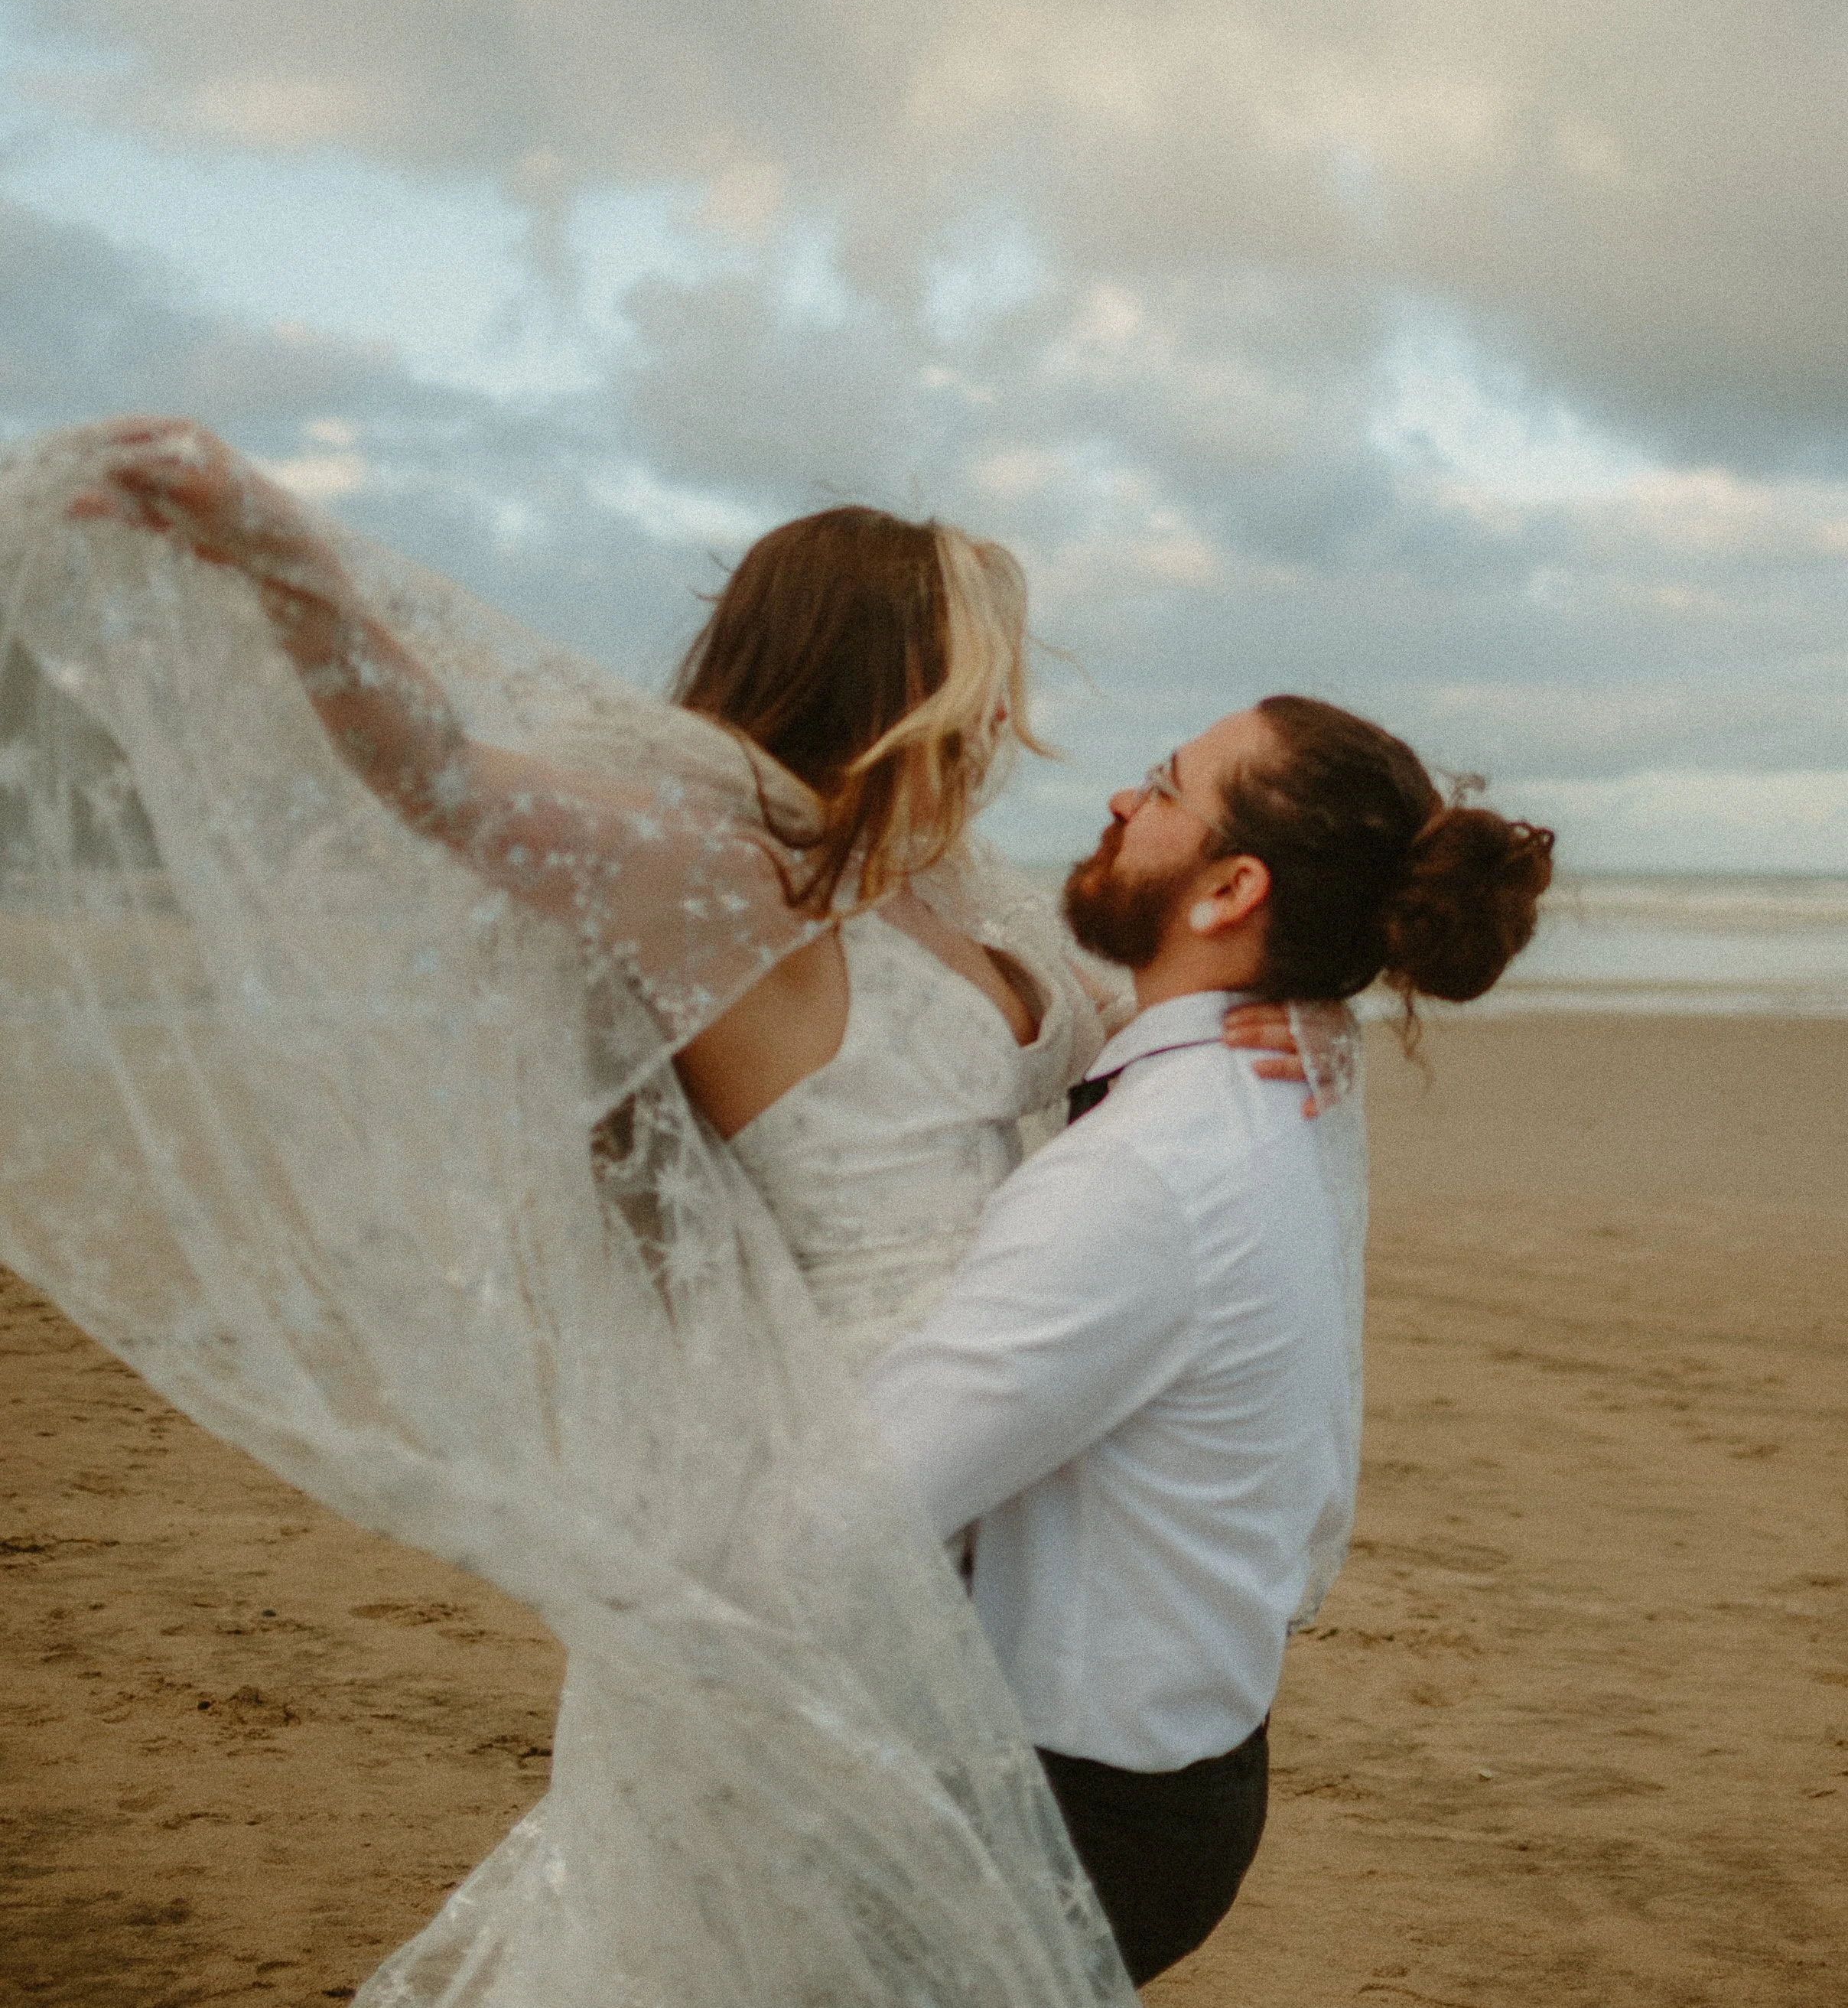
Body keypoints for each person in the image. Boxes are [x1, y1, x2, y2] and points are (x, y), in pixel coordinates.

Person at [0, 417, 1339, 2007]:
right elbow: (432, 774)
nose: (1007, 715)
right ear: (884, 671)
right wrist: (270, 540)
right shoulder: (724, 888)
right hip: (842, 1503)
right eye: (985, 673)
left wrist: (1280, 1015)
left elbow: (1088, 1080)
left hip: (1002, 1503)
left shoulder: (936, 876)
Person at [866, 696, 1554, 1987]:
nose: (1124, 803)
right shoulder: (1279, 1069)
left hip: (1064, 1816)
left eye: (1162, 785)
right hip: (1190, 1764)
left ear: (1234, 885)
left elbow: (867, 1497)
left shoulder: (1153, 1170)